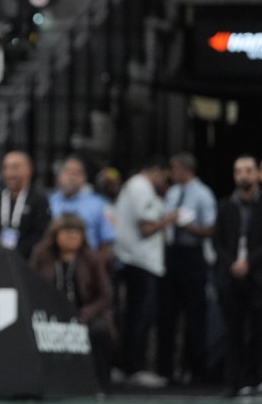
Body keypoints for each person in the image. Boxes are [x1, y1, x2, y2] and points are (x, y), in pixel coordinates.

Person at [214, 156, 262, 397]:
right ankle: (234, 382)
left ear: (256, 174)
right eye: (238, 171)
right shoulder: (225, 206)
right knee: (233, 331)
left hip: (261, 276)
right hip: (232, 277)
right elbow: (218, 240)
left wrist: (250, 262)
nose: (243, 176)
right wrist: (232, 263)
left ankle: (261, 378)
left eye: (247, 171)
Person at [113, 158, 179, 387]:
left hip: (136, 260)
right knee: (140, 316)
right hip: (140, 262)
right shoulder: (141, 187)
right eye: (165, 177)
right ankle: (135, 368)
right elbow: (147, 227)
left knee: (135, 315)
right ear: (156, 170)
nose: (165, 183)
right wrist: (171, 219)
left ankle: (127, 366)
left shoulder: (135, 186)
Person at [29, 214, 115, 388]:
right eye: (67, 233)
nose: (72, 238)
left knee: (99, 331)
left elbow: (106, 295)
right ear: (55, 235)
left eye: (76, 233)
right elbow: (29, 284)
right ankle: (38, 382)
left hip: (84, 313)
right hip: (49, 314)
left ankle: (101, 384)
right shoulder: (41, 255)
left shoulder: (92, 259)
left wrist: (87, 313)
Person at [159, 153, 217, 385]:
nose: (171, 173)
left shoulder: (203, 194)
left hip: (193, 255)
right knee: (167, 315)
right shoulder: (173, 193)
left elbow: (211, 229)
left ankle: (197, 371)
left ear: (184, 169)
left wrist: (189, 227)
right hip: (171, 254)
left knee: (195, 316)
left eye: (174, 169)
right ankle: (166, 370)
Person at [49, 156, 116, 254]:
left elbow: (107, 241)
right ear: (59, 176)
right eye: (67, 172)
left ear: (84, 178)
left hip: (87, 262)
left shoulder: (98, 204)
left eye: (76, 173)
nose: (71, 177)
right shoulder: (48, 202)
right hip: (52, 261)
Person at [0, 150, 51, 261]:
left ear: (29, 170)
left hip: (27, 261)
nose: (9, 173)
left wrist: (16, 252)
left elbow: (41, 234)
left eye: (15, 167)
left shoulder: (39, 200)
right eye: (6, 168)